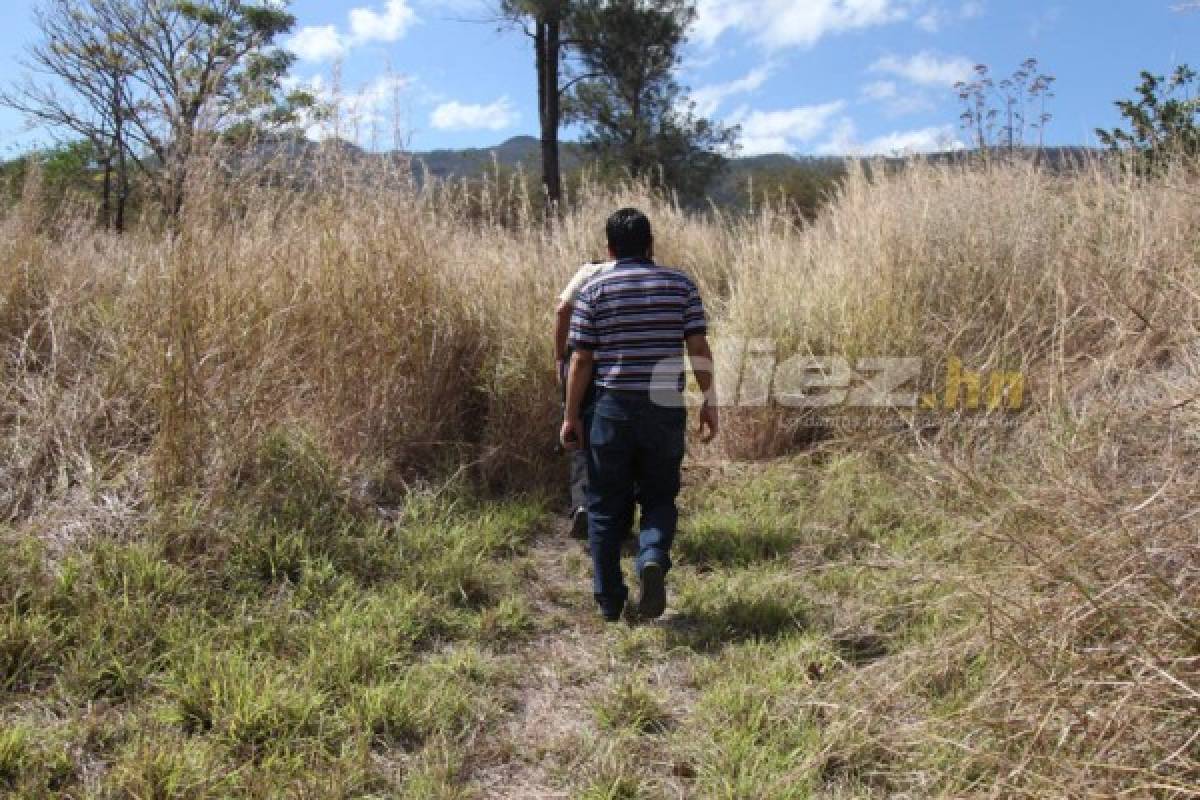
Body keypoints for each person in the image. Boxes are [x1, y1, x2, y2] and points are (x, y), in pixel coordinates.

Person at [560, 208, 718, 622]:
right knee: (660, 495)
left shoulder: (594, 289)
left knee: (605, 504)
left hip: (611, 409)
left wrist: (571, 415)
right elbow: (698, 348)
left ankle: (610, 601)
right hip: (664, 406)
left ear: (609, 248)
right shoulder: (680, 285)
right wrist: (710, 398)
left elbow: (581, 360)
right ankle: (651, 556)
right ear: (651, 244)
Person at [555, 259, 615, 539]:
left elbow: (563, 309)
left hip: (582, 361)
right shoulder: (645, 274)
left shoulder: (590, 272)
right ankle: (611, 511)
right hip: (619, 367)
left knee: (578, 431)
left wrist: (560, 356)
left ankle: (582, 504)